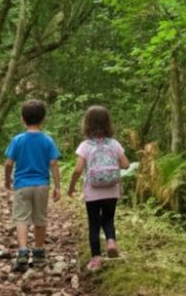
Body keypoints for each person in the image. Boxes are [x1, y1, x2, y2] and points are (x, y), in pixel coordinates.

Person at [67, 105, 129, 271]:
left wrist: (71, 187)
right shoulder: (114, 144)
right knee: (108, 219)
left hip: (92, 192)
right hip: (112, 190)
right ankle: (110, 241)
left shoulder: (85, 145)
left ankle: (96, 258)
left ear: (87, 124)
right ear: (108, 123)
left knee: (94, 224)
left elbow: (78, 170)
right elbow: (125, 164)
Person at [4, 99, 61, 272]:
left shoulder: (18, 140)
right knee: (40, 218)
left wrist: (7, 180)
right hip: (42, 185)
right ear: (43, 119)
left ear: (23, 118)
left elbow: (8, 164)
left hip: (22, 185)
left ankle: (22, 251)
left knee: (21, 218)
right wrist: (58, 186)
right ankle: (38, 251)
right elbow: (54, 164)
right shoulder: (47, 140)